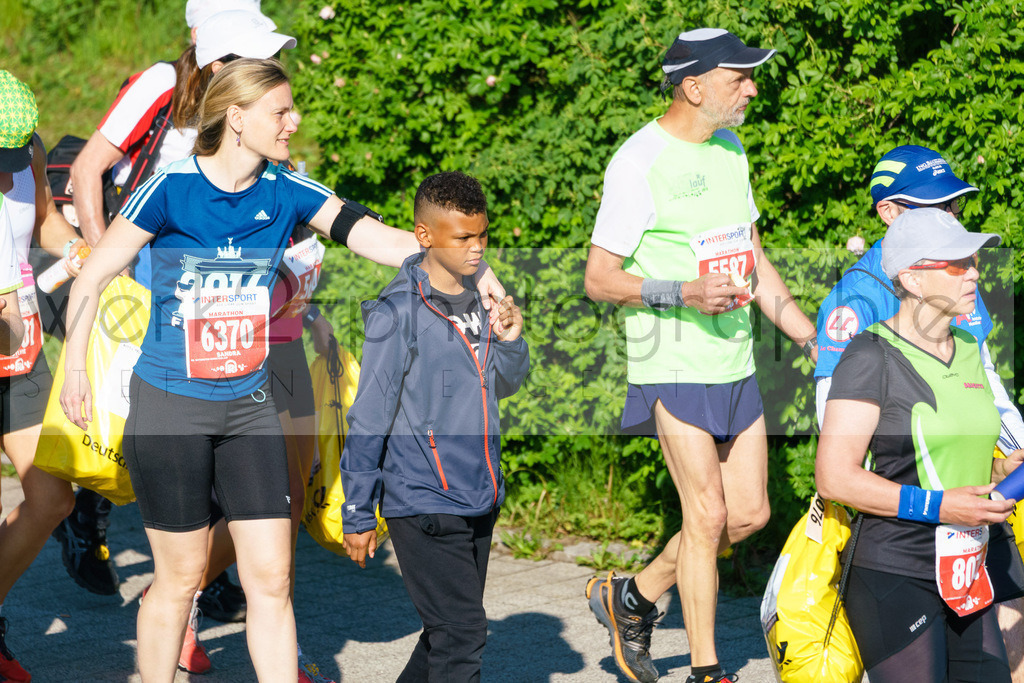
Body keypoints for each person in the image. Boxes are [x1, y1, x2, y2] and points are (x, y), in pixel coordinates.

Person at [55, 5, 295, 673]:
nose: (269, 64)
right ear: (215, 57)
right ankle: (96, 518)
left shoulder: (259, 114)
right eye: (253, 52)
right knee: (138, 426)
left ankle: (195, 592)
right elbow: (88, 169)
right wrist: (111, 266)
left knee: (235, 495)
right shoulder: (163, 83)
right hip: (150, 293)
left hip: (226, 316)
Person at [582, 28, 818, 683]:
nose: (752, 88)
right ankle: (706, 670)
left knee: (749, 514)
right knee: (707, 515)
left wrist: (808, 335)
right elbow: (599, 279)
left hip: (734, 362)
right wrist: (683, 291)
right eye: (739, 78)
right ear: (693, 86)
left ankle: (631, 595)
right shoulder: (638, 162)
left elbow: (753, 256)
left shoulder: (730, 149)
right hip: (672, 361)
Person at [813, 144, 1024, 679]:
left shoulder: (969, 346)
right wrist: (940, 506)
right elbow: (834, 476)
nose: (973, 274)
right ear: (911, 278)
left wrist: (1005, 462)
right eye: (956, 264)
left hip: (968, 559)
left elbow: (963, 443)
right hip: (896, 568)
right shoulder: (869, 354)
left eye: (973, 261)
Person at [340, 170, 528, 682]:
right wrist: (357, 510)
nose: (477, 247)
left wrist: (511, 341)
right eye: (463, 237)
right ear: (424, 235)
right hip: (421, 496)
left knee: (445, 633)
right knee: (462, 634)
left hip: (479, 491)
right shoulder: (397, 311)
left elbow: (504, 385)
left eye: (482, 235)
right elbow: (369, 416)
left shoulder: (482, 299)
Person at [0, 69, 59, 683]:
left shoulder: (28, 151)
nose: (5, 173)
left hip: (20, 354)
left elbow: (44, 223)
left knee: (52, 497)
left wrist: (84, 250)